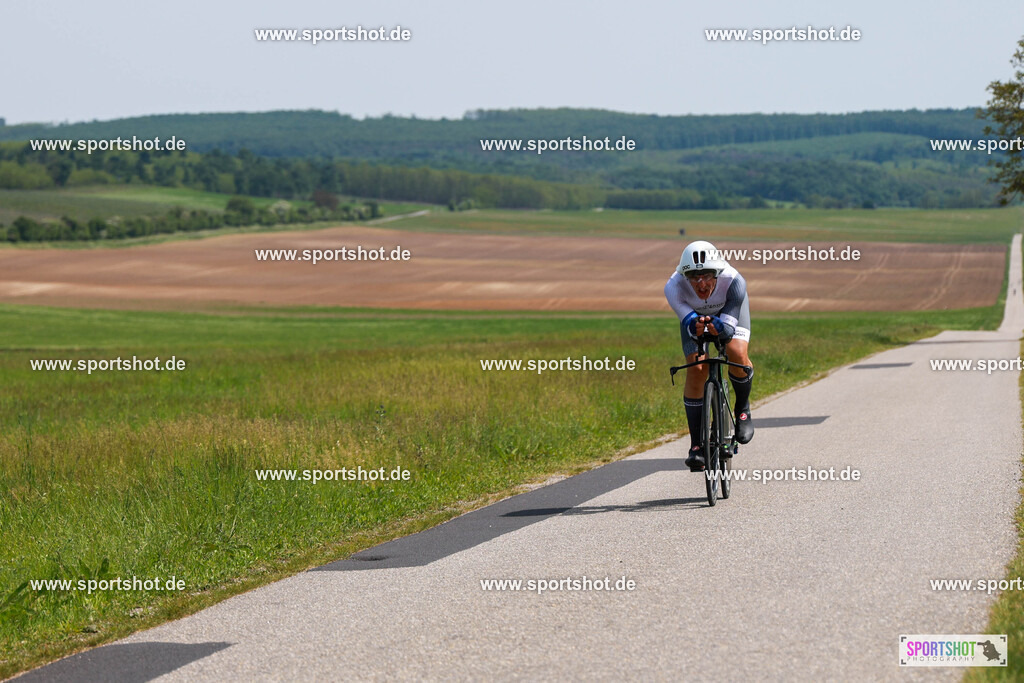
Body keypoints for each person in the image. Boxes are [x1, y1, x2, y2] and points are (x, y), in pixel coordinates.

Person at [664, 240, 754, 471]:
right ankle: (696, 445)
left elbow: (728, 330)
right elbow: (689, 323)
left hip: (729, 313)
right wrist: (696, 325)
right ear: (684, 276)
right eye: (694, 277)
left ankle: (742, 409)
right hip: (695, 316)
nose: (701, 283)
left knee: (736, 352)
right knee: (696, 368)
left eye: (706, 276)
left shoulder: (734, 281)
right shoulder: (673, 287)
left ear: (717, 273)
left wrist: (720, 328)